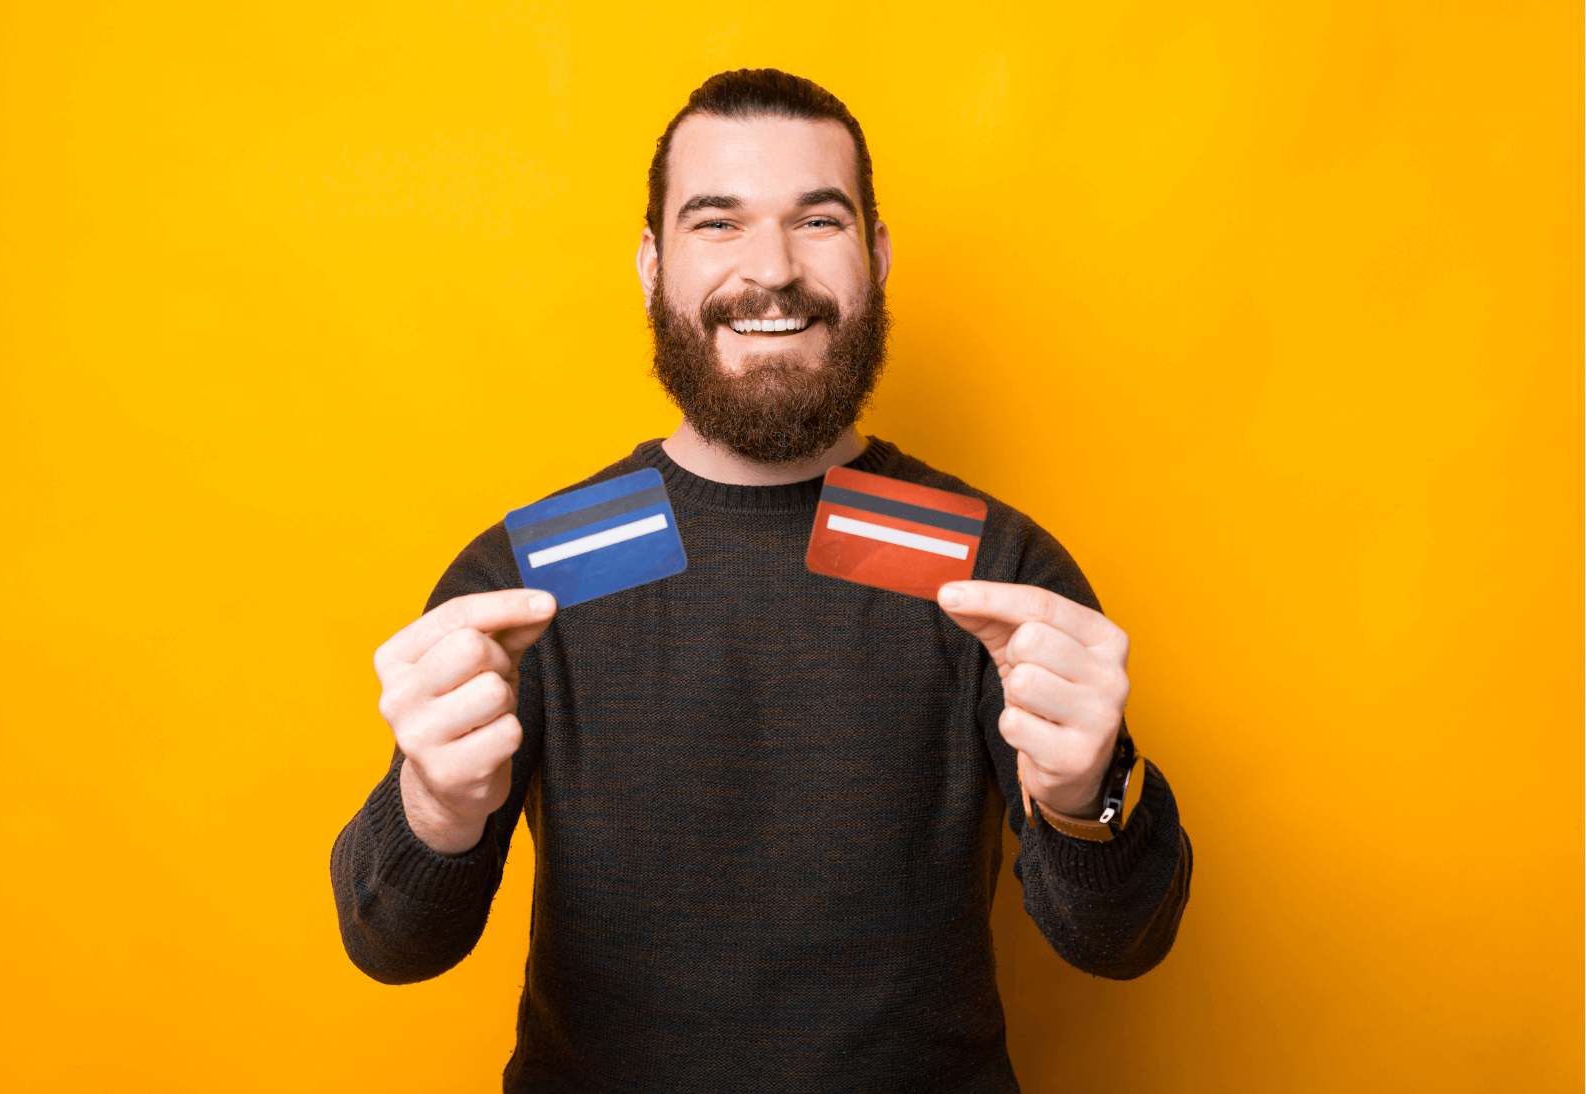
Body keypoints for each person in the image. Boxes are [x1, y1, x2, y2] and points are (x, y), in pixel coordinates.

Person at [332, 68, 1191, 1093]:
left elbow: (1122, 938)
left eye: (818, 221)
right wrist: (431, 809)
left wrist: (1087, 800)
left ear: (874, 257)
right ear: (652, 264)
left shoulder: (993, 571)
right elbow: (388, 940)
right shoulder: (532, 575)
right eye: (717, 223)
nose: (771, 269)